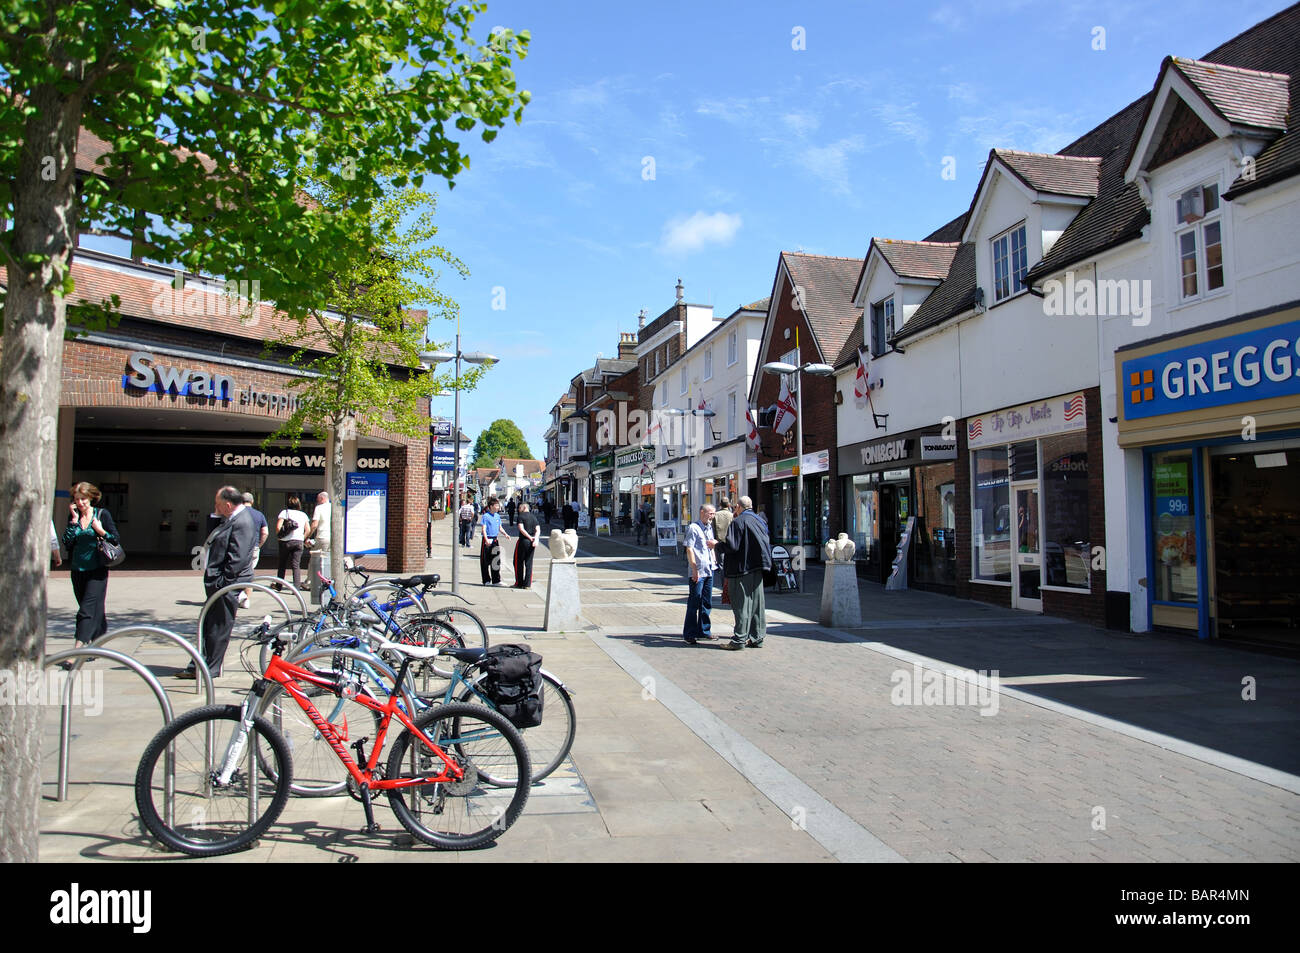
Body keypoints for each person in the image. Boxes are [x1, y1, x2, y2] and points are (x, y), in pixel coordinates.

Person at [180, 485, 256, 679]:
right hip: (221, 583)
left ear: (228, 504)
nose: (216, 507)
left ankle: (210, 668)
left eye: (218, 504)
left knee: (218, 627)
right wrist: (215, 515)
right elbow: (212, 537)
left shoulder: (242, 521)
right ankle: (201, 663)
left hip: (227, 584)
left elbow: (237, 558)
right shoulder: (231, 518)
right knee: (209, 624)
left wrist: (222, 583)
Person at [63, 482, 119, 646]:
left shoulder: (102, 515)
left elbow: (115, 540)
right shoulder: (74, 517)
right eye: (76, 499)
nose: (80, 503)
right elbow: (67, 543)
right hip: (78, 569)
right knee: (93, 608)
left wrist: (101, 531)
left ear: (91, 498)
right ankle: (98, 641)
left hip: (97, 570)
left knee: (85, 611)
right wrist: (73, 521)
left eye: (83, 499)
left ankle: (78, 648)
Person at [724, 495, 772, 650]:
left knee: (741, 605)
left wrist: (716, 546)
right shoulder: (760, 521)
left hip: (741, 568)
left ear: (738, 507)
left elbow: (732, 547)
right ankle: (757, 637)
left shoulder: (738, 522)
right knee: (757, 604)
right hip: (758, 568)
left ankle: (739, 639)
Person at [682, 504, 718, 644]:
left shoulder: (709, 528)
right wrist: (694, 569)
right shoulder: (693, 528)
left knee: (706, 602)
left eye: (713, 514)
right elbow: (689, 549)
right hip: (698, 571)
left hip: (709, 569)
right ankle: (689, 633)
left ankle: (704, 630)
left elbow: (710, 546)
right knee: (694, 601)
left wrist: (714, 558)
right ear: (702, 512)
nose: (712, 516)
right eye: (710, 513)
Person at [239, 491, 269, 608]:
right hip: (254, 547)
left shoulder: (237, 514)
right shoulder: (259, 515)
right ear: (252, 501)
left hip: (239, 548)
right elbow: (265, 533)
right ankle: (246, 599)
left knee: (236, 572)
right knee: (249, 573)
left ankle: (237, 595)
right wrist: (259, 545)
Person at [274, 494, 309, 590]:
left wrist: (279, 536)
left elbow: (278, 527)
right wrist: (302, 537)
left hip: (285, 542)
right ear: (298, 504)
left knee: (282, 564)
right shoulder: (303, 515)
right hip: (298, 542)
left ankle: (279, 585)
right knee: (296, 565)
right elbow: (308, 530)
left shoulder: (284, 513)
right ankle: (296, 588)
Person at [512, 501, 541, 588]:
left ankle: (519, 582)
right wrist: (535, 538)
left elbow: (521, 529)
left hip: (523, 540)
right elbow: (538, 529)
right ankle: (527, 584)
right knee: (529, 563)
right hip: (532, 542)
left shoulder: (520, 516)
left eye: (520, 507)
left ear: (524, 507)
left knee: (518, 562)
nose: (518, 509)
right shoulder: (533, 516)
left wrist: (528, 537)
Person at [712, 497, 735, 603]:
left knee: (722, 567)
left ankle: (724, 587)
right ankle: (730, 587)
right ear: (729, 505)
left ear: (720, 504)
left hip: (719, 543)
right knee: (730, 565)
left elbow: (712, 530)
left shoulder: (716, 515)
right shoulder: (732, 515)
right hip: (731, 543)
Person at [479, 497, 503, 585]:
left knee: (496, 561)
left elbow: (500, 527)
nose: (498, 507)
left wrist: (505, 534)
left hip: (495, 540)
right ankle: (486, 580)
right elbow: (484, 529)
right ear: (491, 506)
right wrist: (485, 540)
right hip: (487, 540)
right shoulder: (486, 516)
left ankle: (496, 580)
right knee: (485, 561)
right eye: (497, 505)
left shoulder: (497, 516)